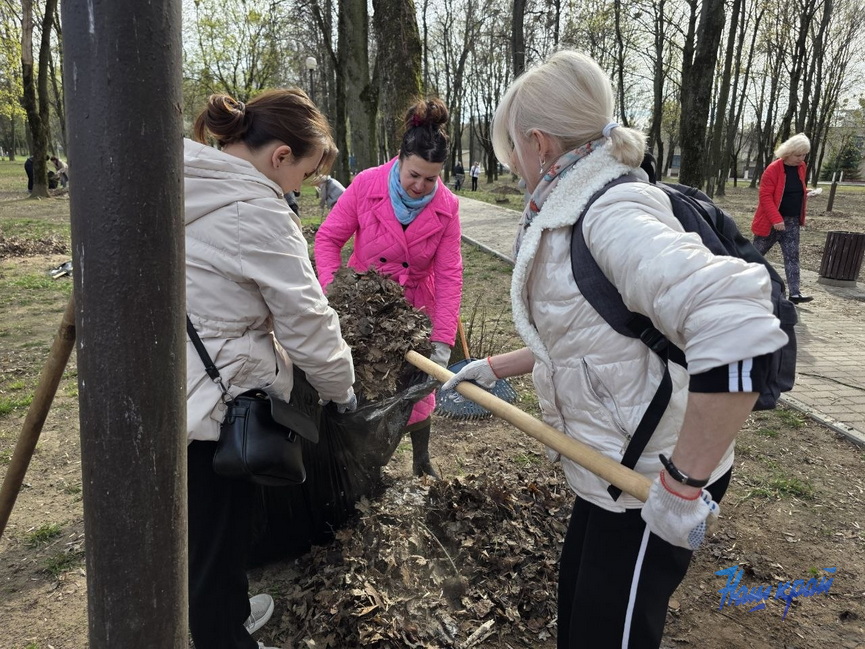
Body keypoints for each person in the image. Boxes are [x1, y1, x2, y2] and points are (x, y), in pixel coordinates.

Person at [442, 50, 787, 649]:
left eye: (514, 152)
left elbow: (738, 327)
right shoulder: (568, 209)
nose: (516, 167)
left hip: (649, 484)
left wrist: (682, 487)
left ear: (540, 143)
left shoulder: (612, 212)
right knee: (579, 614)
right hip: (609, 476)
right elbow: (593, 336)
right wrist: (495, 365)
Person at [185, 89, 357, 649]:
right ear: (279, 155)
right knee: (217, 528)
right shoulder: (255, 210)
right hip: (215, 402)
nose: (300, 190)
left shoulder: (178, 181)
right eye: (304, 174)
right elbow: (306, 321)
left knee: (204, 529)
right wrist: (341, 389)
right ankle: (222, 633)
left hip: (170, 380)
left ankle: (229, 610)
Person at [314, 97, 463, 479]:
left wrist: (444, 340)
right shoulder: (366, 185)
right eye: (414, 174)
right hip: (365, 306)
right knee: (367, 382)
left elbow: (449, 274)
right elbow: (328, 240)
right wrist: (339, 293)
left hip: (413, 311)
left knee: (418, 391)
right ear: (400, 158)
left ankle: (421, 458)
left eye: (431, 179)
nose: (420, 186)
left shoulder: (447, 206)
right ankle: (365, 463)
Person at [751, 133, 813, 304]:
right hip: (771, 222)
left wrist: (807, 193)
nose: (801, 159)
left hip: (792, 221)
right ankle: (735, 284)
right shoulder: (773, 169)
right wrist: (776, 220)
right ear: (788, 152)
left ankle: (795, 294)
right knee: (754, 255)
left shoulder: (801, 167)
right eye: (798, 155)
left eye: (804, 155)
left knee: (792, 256)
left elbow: (792, 190)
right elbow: (765, 197)